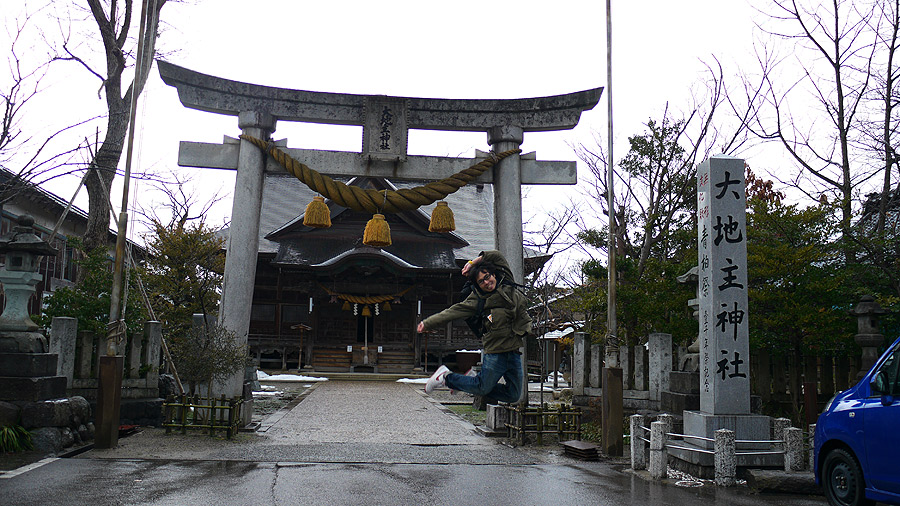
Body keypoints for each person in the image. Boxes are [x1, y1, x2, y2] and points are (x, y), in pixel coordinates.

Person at [416, 250, 532, 403]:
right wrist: (428, 323)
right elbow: (452, 312)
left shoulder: (507, 281)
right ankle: (446, 377)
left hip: (514, 351)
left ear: (493, 274)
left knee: (513, 394)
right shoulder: (478, 299)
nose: (486, 282)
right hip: (496, 351)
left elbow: (496, 256)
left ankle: (469, 381)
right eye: (481, 282)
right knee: (482, 388)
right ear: (478, 285)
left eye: (487, 277)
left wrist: (472, 263)